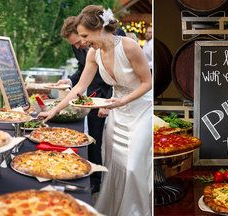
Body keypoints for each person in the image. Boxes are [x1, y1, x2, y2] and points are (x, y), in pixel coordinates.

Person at [38, 5, 152, 216]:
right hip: (116, 110)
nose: (83, 42)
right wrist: (53, 111)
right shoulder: (93, 53)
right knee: (115, 164)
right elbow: (80, 88)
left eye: (85, 35)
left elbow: (147, 83)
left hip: (141, 108)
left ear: (99, 29)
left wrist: (121, 100)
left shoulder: (129, 46)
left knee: (134, 167)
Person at [58, 16, 125, 193]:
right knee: (94, 137)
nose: (78, 46)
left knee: (114, 142)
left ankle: (115, 181)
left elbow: (120, 77)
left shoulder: (115, 37)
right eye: (75, 44)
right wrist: (70, 80)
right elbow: (83, 68)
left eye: (80, 41)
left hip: (115, 92)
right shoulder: (78, 45)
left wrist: (108, 102)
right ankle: (96, 180)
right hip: (94, 91)